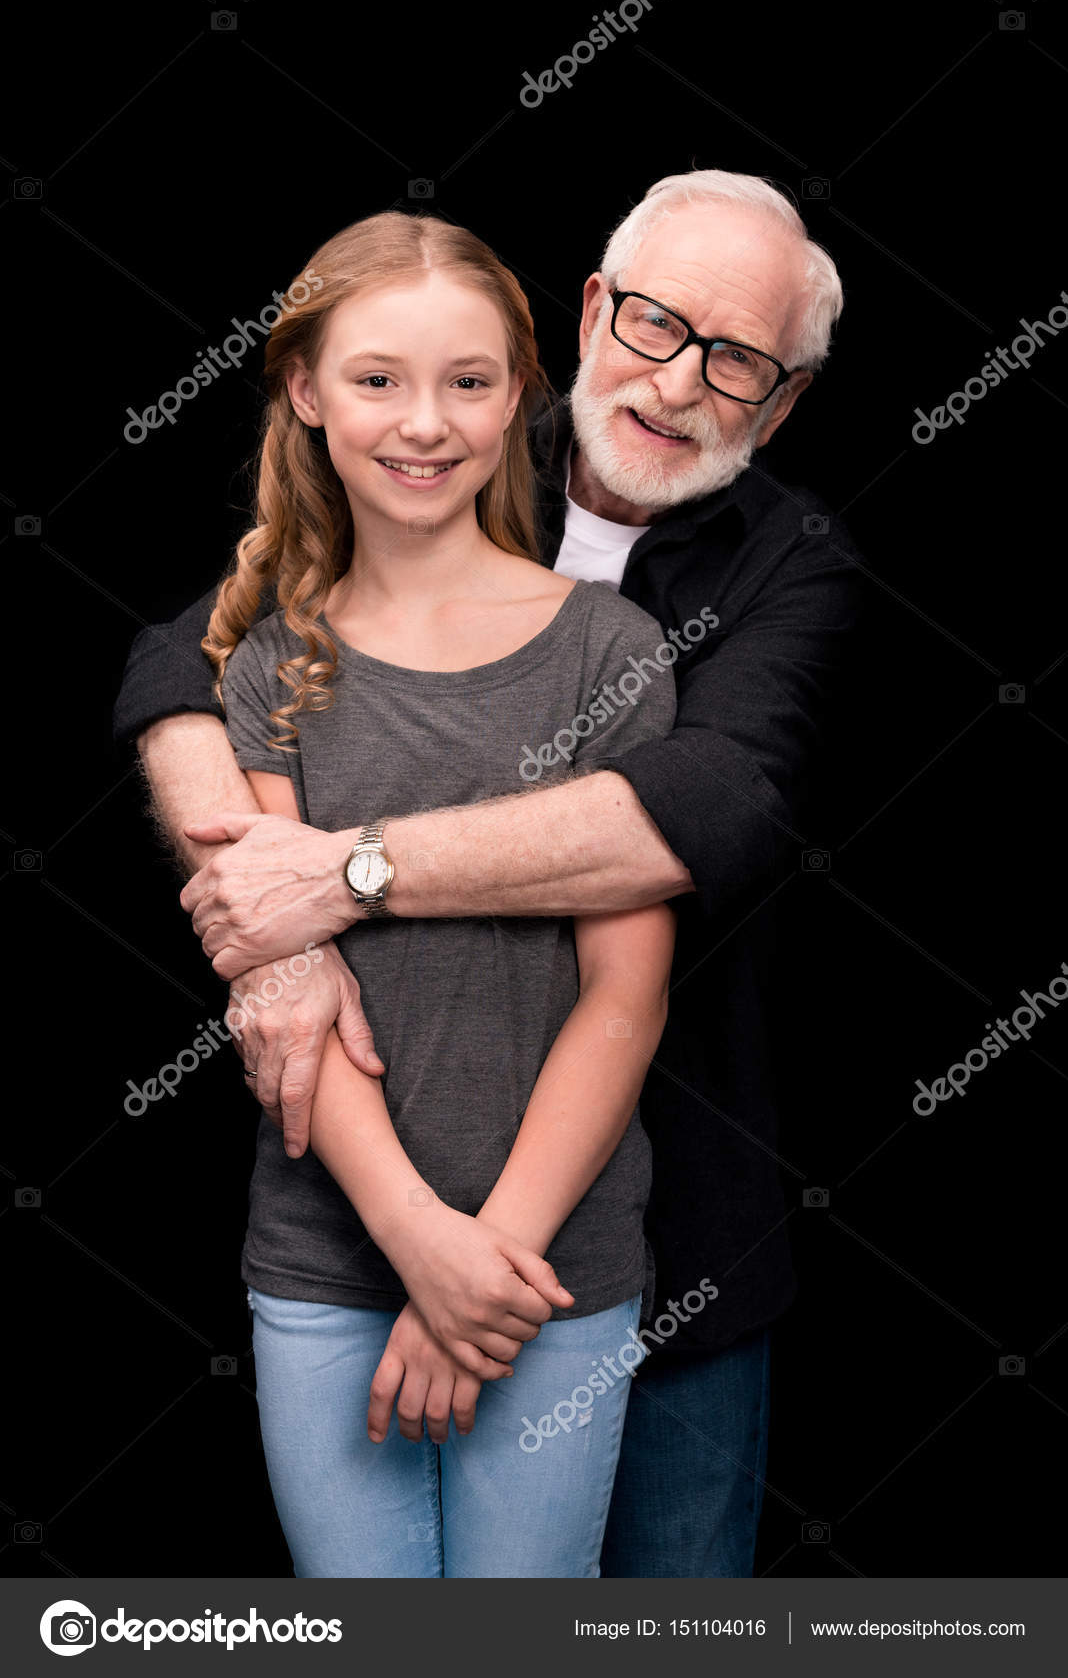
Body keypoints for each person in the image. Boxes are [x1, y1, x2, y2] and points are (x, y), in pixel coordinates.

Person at [114, 170, 869, 1578]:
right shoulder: (446, 434)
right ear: (591, 312)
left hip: (666, 1211)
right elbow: (195, 653)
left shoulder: (791, 567)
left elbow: (695, 808)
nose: (681, 382)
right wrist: (268, 937)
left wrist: (339, 874)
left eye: (739, 360)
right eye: (656, 324)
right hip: (353, 1208)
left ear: (780, 403)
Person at [187, 209, 678, 1577]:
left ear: (522, 393)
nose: (427, 422)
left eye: (469, 380)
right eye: (377, 378)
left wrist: (482, 1272)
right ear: (304, 391)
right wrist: (417, 1245)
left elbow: (624, 1001)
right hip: (329, 1268)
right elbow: (288, 988)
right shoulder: (265, 666)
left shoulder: (611, 652)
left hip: (549, 1273)